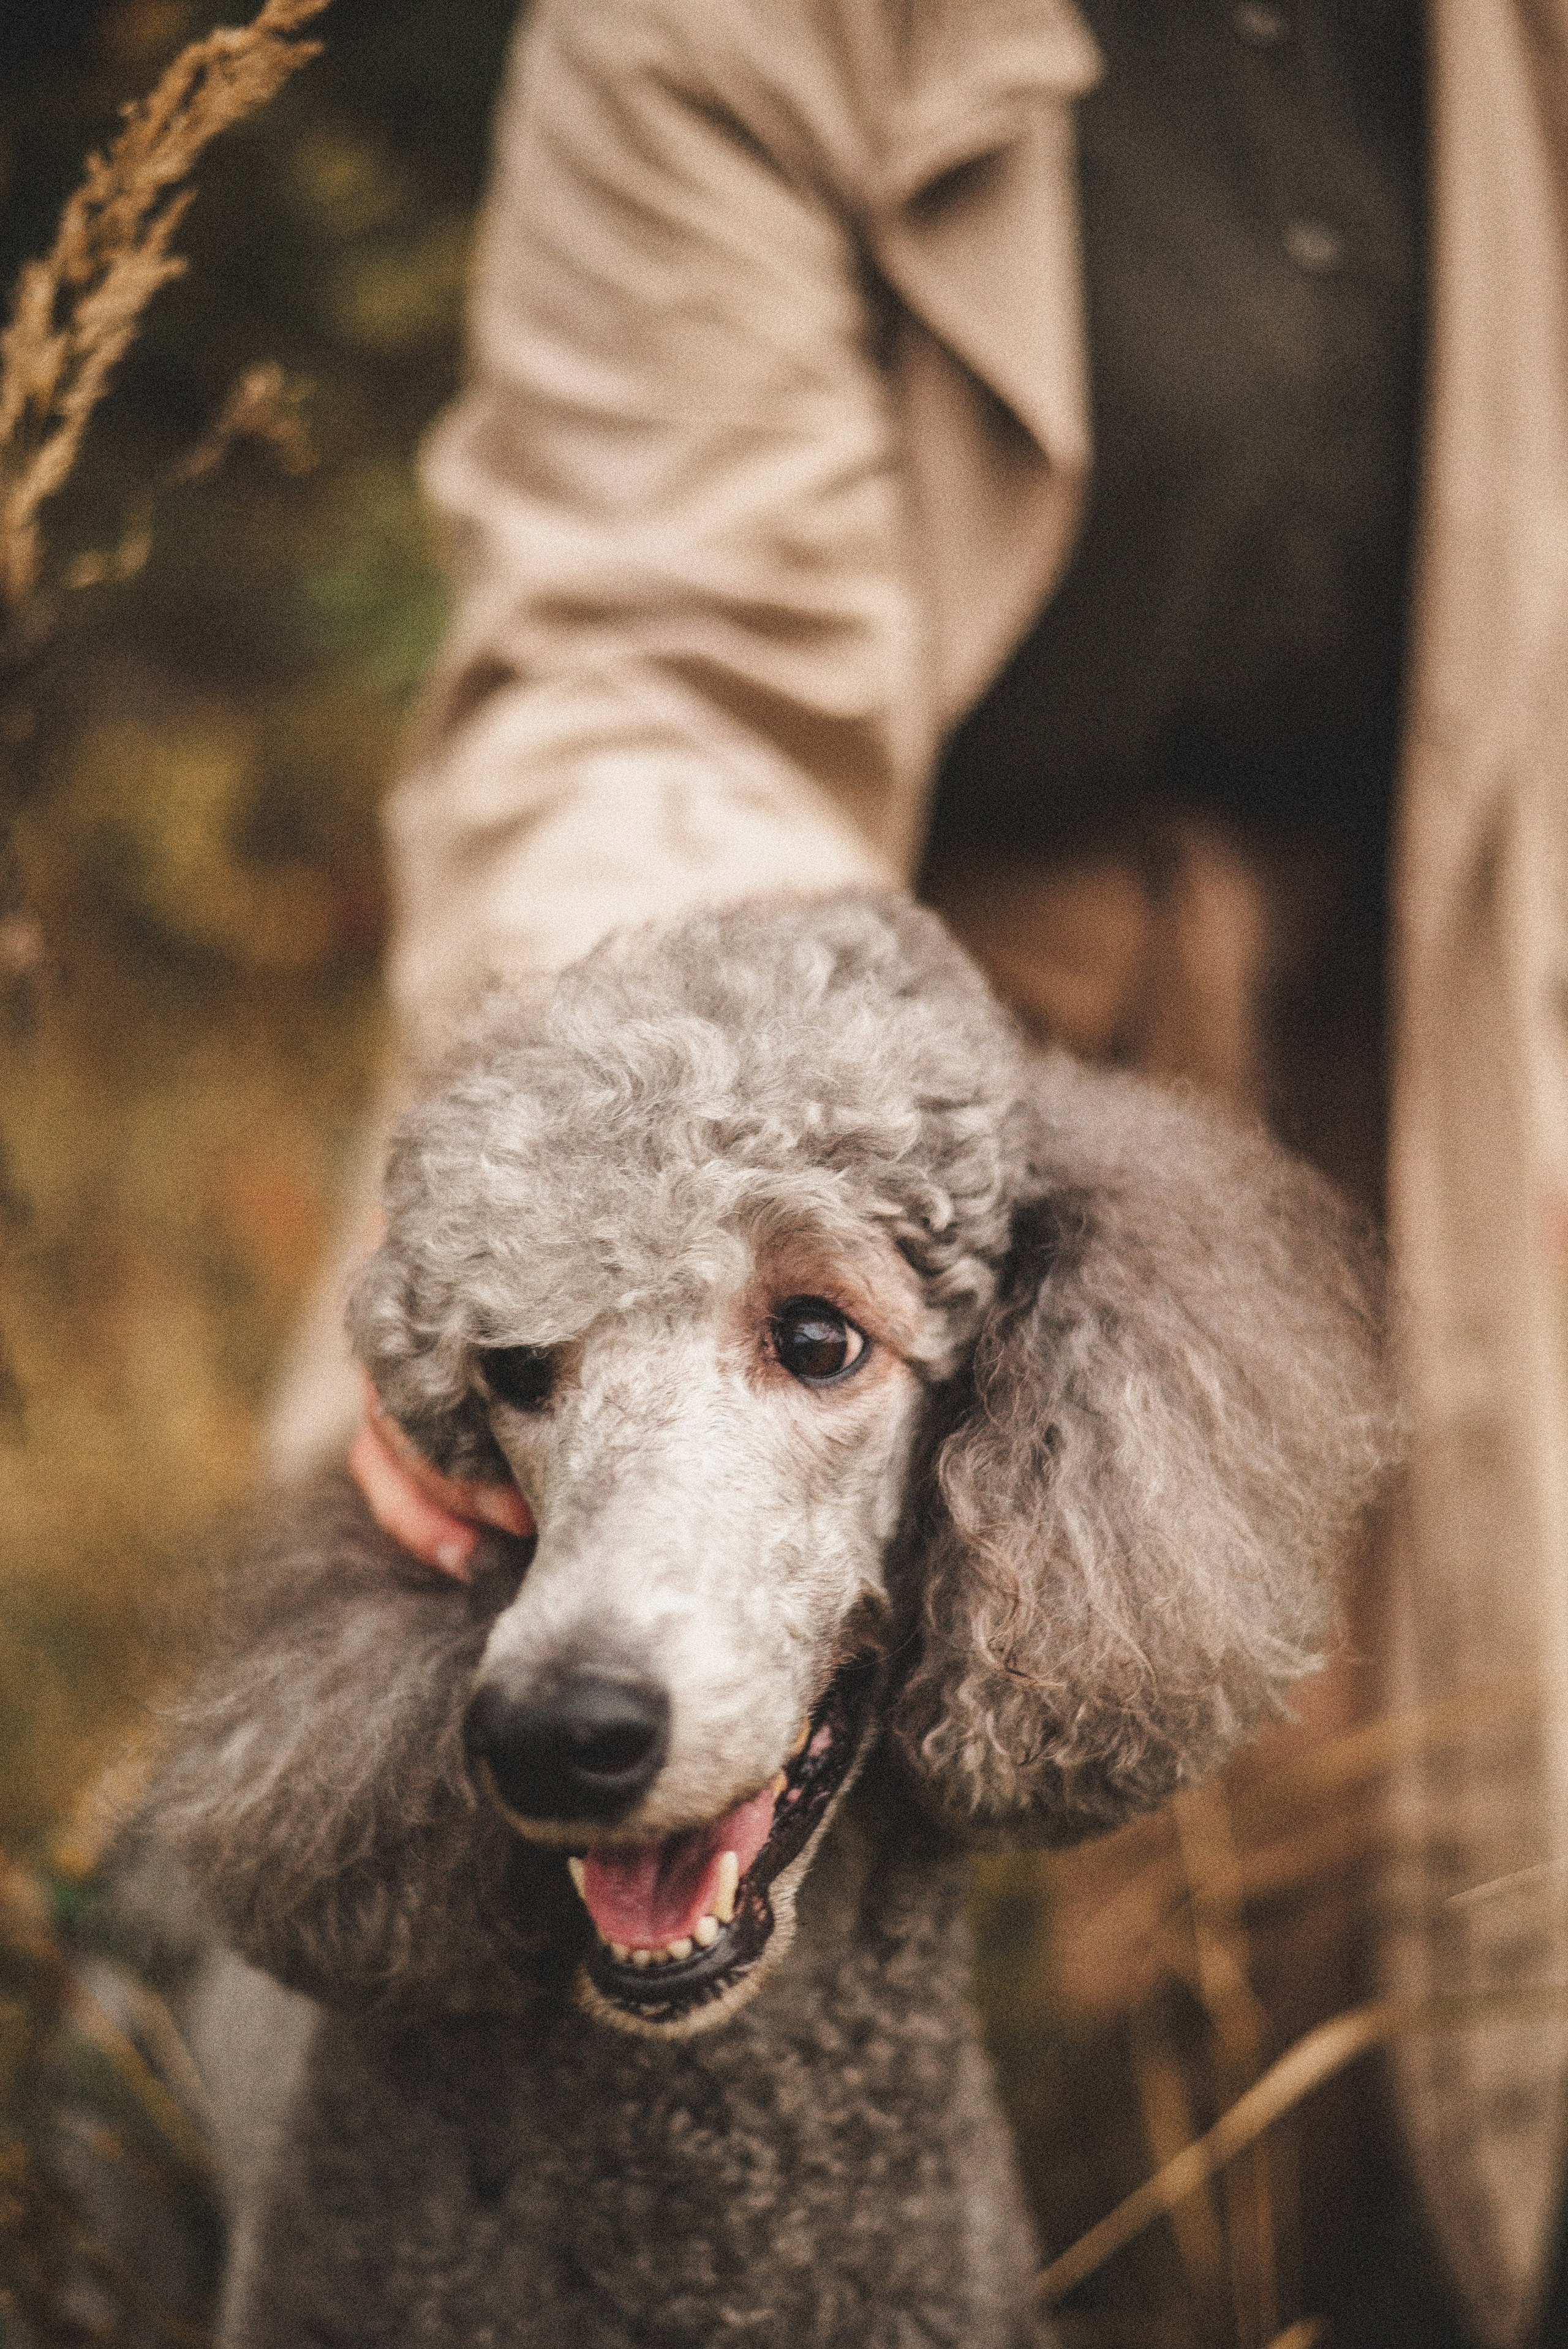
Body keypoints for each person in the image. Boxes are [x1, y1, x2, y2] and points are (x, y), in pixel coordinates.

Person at [269, 4, 1568, 2341]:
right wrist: (633, 1175)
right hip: (889, 978)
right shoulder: (710, 30)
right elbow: (651, 661)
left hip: (1467, 961)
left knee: (1436, 1908)